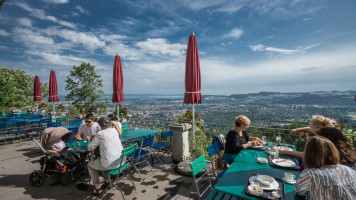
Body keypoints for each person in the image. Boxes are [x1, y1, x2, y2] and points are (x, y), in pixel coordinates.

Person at [87, 116, 124, 196]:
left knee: (90, 165)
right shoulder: (114, 130)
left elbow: (90, 148)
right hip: (121, 162)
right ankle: (107, 181)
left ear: (100, 125)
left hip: (110, 165)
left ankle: (97, 187)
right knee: (103, 159)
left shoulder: (100, 134)